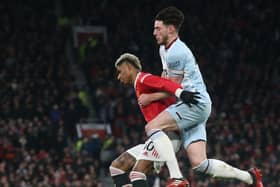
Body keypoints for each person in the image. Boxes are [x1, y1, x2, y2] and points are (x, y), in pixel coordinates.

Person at [137, 6, 263, 187]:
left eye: (158, 28)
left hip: (194, 103)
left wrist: (150, 97)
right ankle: (250, 177)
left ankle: (175, 177)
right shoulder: (164, 50)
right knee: (199, 164)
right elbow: (167, 79)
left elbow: (173, 87)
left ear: (171, 29)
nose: (154, 32)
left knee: (152, 127)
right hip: (195, 104)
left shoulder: (177, 51)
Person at [110, 53, 198, 187]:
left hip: (167, 136)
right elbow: (166, 89)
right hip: (157, 137)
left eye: (120, 72)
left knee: (137, 174)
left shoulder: (143, 79)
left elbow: (166, 84)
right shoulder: (139, 86)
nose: (118, 77)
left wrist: (181, 93)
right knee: (117, 167)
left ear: (128, 67)